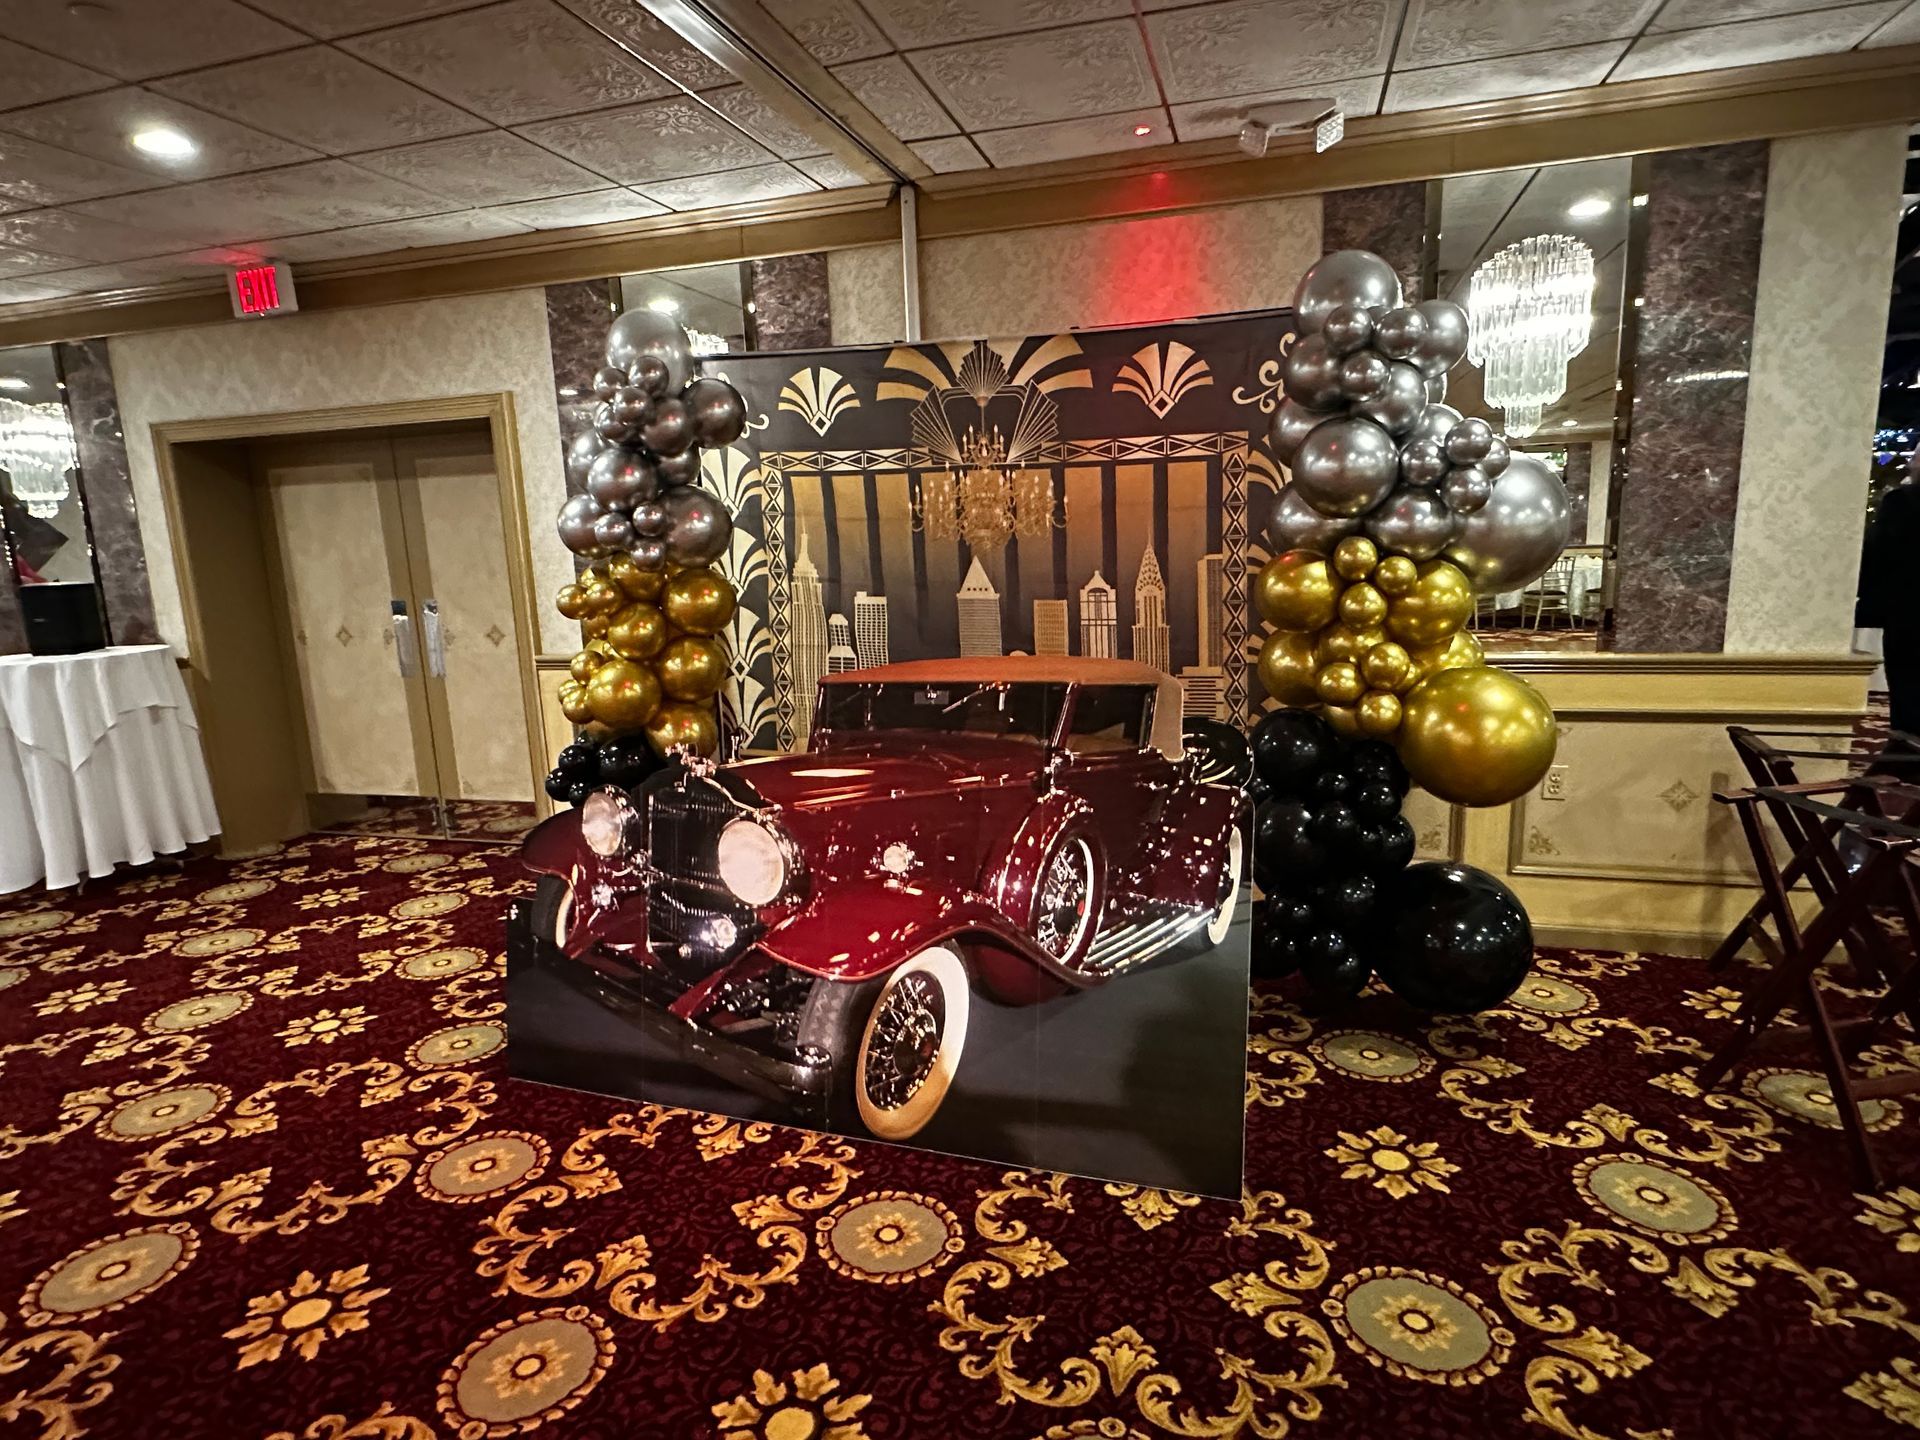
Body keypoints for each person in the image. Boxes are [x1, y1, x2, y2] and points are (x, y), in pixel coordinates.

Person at [1858, 448, 1920, 744]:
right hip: (1905, 610)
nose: (1910, 463)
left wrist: (1865, 601)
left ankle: (1905, 758)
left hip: (1908, 614)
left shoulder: (1902, 503)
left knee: (1908, 696)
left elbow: (1878, 554)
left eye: (1917, 457)